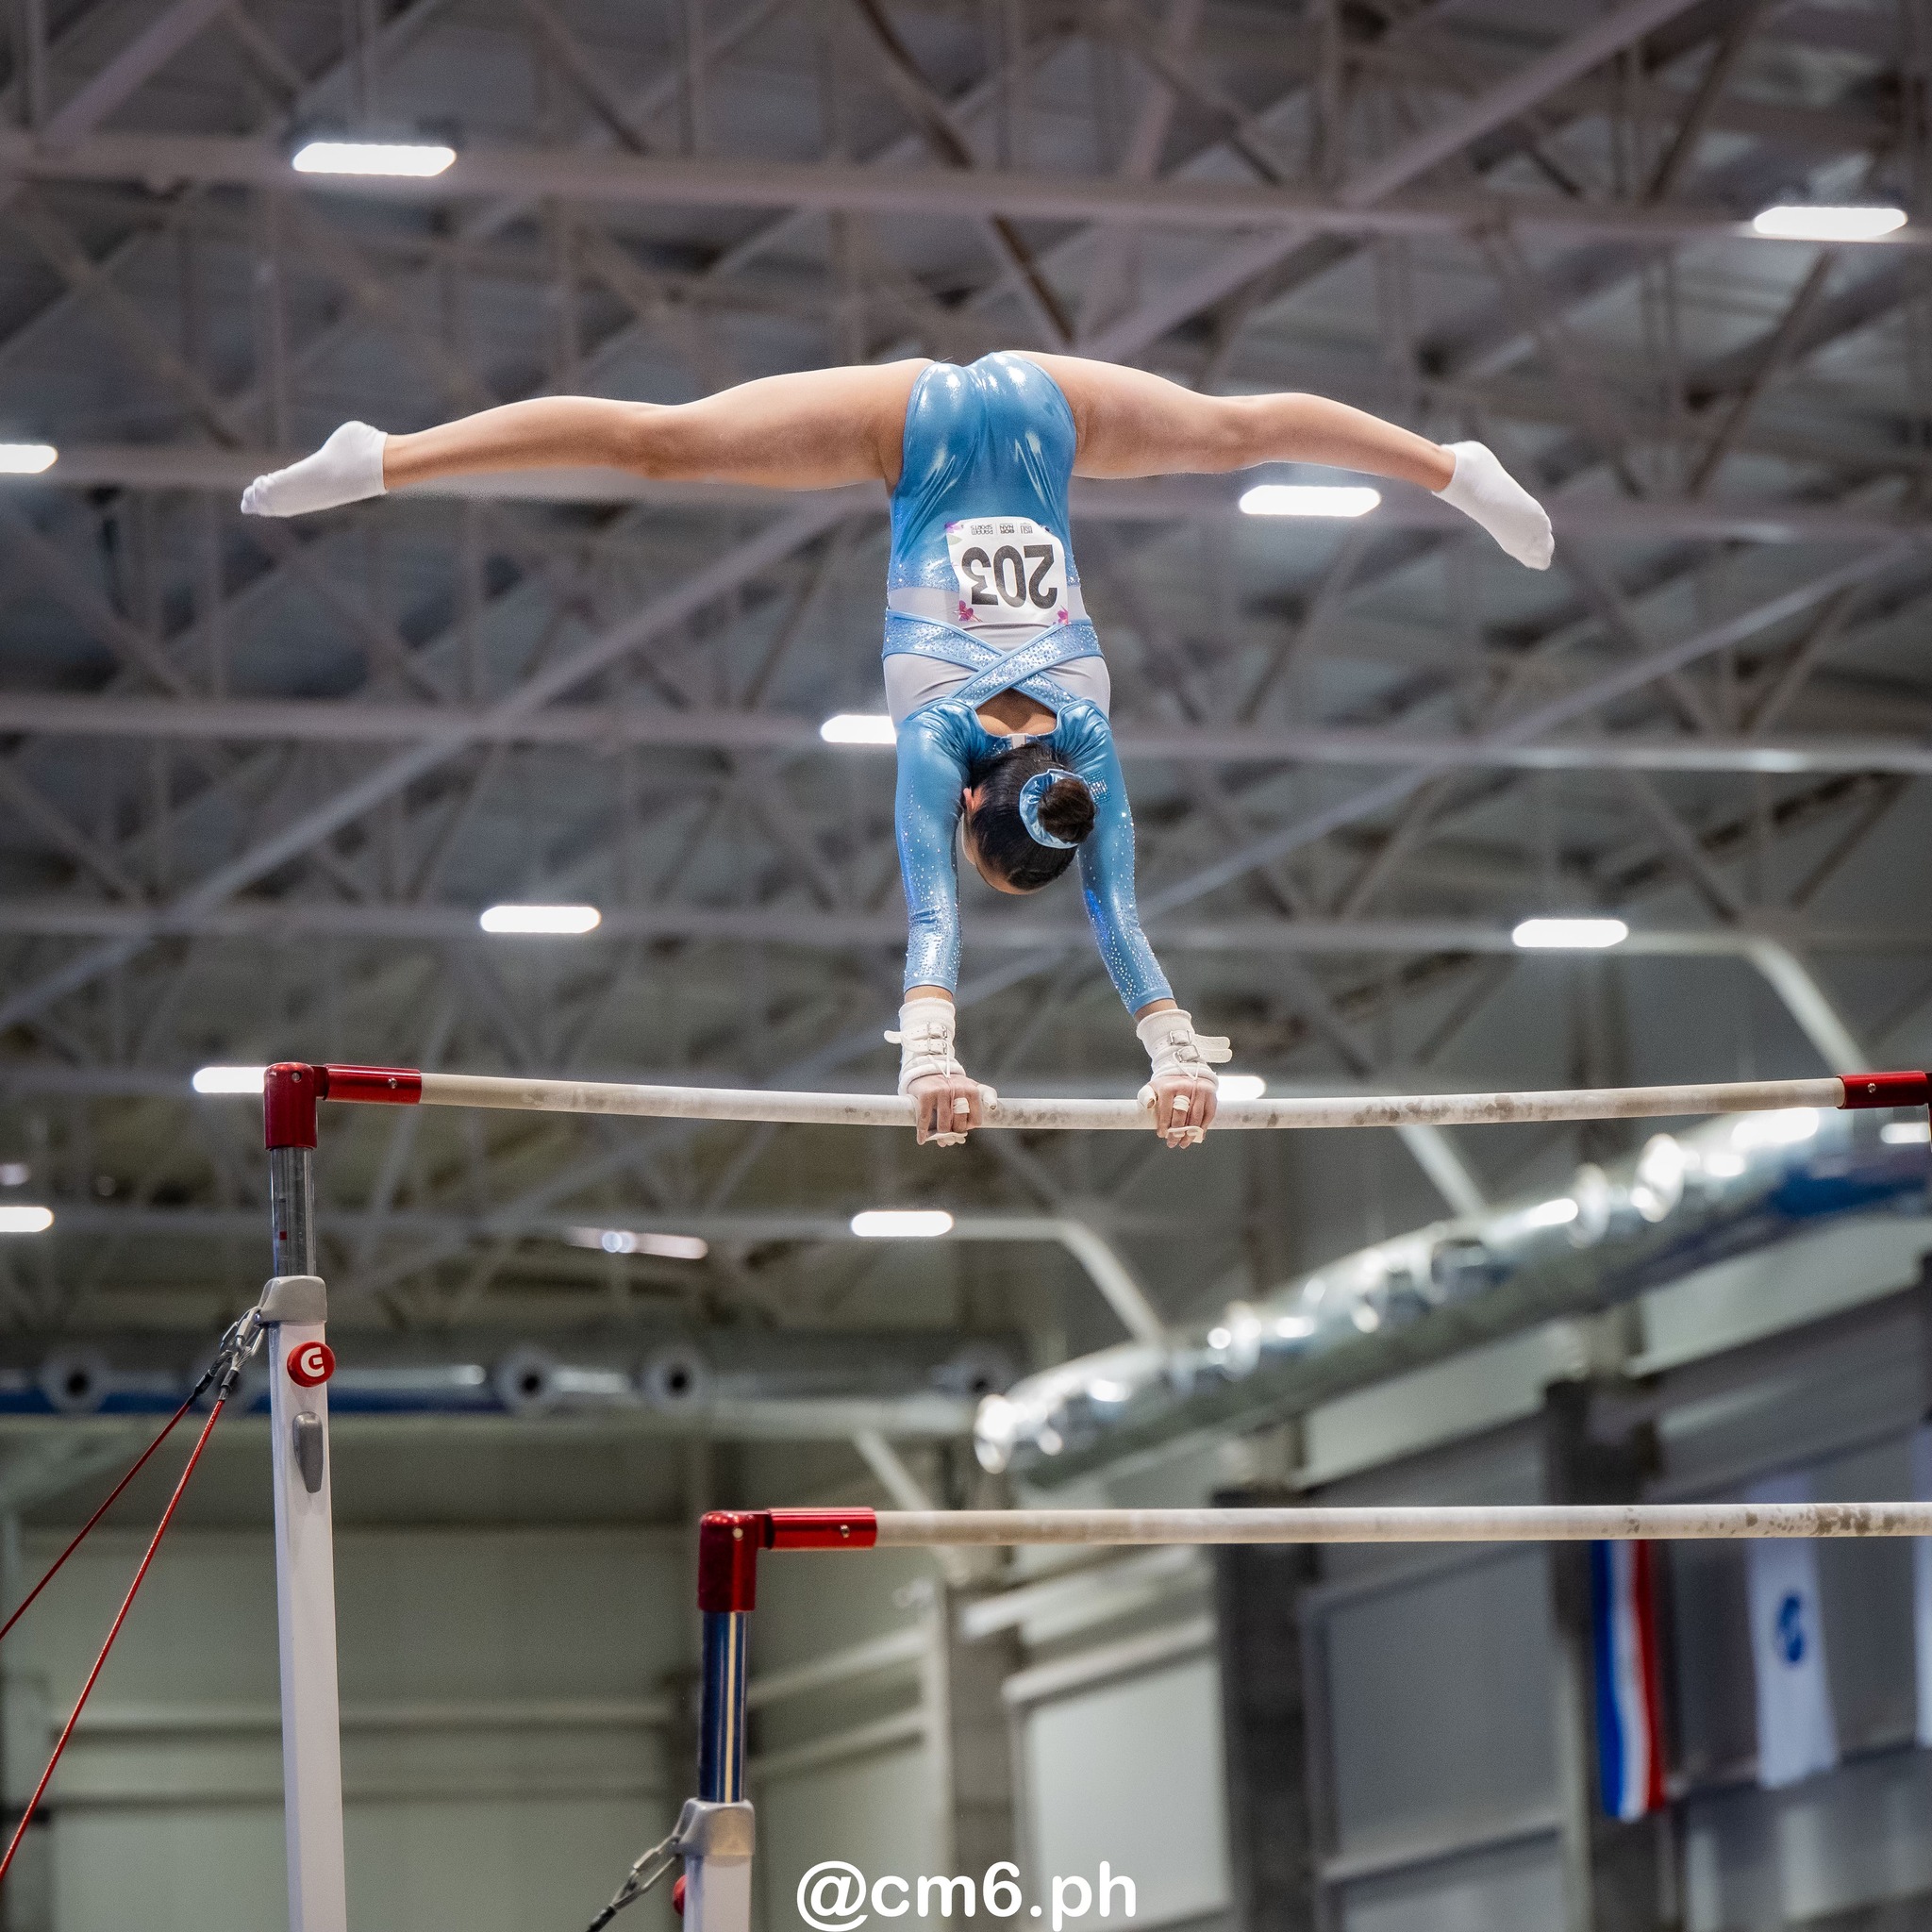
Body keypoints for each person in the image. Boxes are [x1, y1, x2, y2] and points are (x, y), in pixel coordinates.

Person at [242, 354, 1553, 1149]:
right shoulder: (937, 738)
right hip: (910, 427)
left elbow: (1119, 918)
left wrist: (1171, 1054)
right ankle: (385, 459)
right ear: (978, 800)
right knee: (660, 446)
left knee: (1232, 427)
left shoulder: (1087, 743)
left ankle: (1449, 467)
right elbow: (933, 916)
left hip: (1051, 412)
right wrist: (930, 1058)